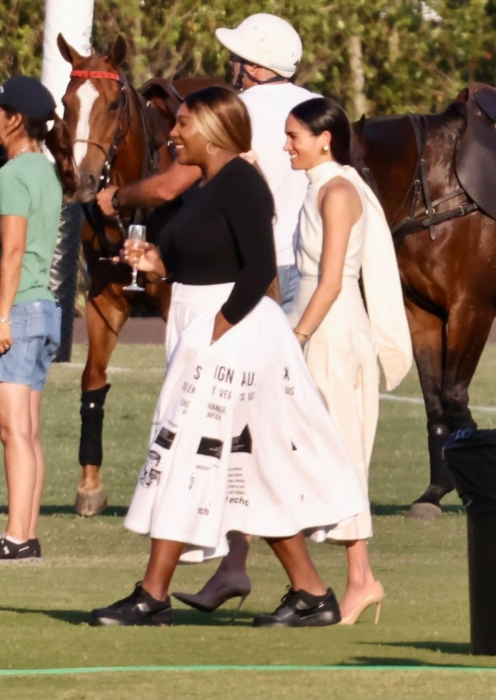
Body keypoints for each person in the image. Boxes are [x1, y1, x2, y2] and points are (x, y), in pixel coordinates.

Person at [89, 87, 368, 627]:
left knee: (183, 453)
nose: (174, 133)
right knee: (246, 466)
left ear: (215, 130)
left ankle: (152, 593)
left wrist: (216, 332)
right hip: (204, 326)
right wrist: (155, 263)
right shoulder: (204, 186)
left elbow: (258, 267)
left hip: (234, 333)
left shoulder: (241, 183)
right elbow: (194, 261)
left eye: (185, 124)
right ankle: (311, 592)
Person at [175, 98, 413, 625]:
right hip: (304, 325)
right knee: (271, 450)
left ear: (324, 139)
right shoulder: (317, 191)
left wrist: (298, 337)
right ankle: (252, 570)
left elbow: (330, 281)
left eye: (294, 136)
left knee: (340, 453)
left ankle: (360, 581)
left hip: (329, 334)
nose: (287, 146)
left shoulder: (339, 192)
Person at [96, 13, 316, 312]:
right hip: (310, 270)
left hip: (250, 276)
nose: (231, 65)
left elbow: (168, 188)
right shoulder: (317, 108)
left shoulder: (231, 114)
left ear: (253, 66)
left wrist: (119, 197)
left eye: (236, 58)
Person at [0, 75, 75, 560]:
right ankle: (26, 532)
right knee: (25, 428)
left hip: (19, 311)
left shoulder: (12, 176)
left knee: (11, 429)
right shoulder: (48, 171)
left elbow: (11, 251)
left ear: (12, 120)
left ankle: (16, 536)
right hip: (45, 310)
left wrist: (0, 315)